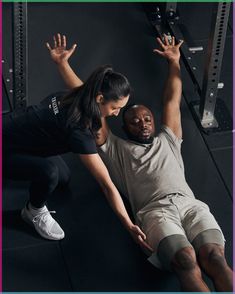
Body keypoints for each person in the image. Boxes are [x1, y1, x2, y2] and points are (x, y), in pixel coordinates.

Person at [53, 33, 233, 292]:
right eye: (135, 121)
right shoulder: (115, 148)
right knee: (185, 261)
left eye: (147, 118)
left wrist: (174, 63)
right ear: (124, 127)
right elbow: (90, 103)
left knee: (215, 257)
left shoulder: (169, 138)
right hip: (154, 211)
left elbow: (172, 98)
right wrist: (63, 65)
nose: (143, 123)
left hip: (190, 204)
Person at [2, 34, 152, 254]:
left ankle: (32, 168)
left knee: (63, 177)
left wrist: (62, 63)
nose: (117, 113)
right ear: (100, 99)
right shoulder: (79, 131)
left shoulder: (80, 94)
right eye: (115, 108)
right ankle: (32, 211)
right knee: (50, 172)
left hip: (22, 136)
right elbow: (106, 184)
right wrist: (128, 224)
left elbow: (77, 82)